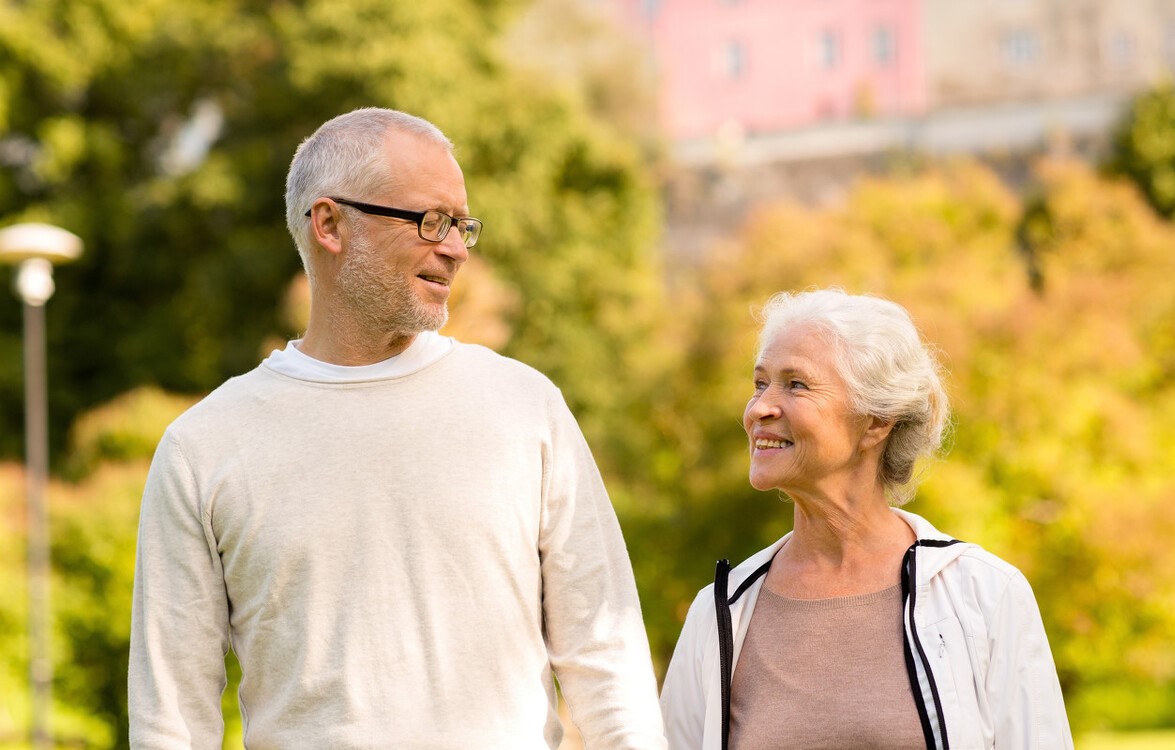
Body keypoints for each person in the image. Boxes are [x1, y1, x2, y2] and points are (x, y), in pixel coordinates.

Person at [129, 107, 667, 749]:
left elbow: (606, 656)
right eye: (431, 221)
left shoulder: (525, 407)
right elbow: (171, 720)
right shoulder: (204, 446)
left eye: (463, 226)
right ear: (329, 224)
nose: (457, 249)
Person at [659, 289, 1073, 749]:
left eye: (796, 384)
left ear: (876, 422)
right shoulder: (719, 615)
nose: (759, 409)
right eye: (760, 384)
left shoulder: (984, 594)